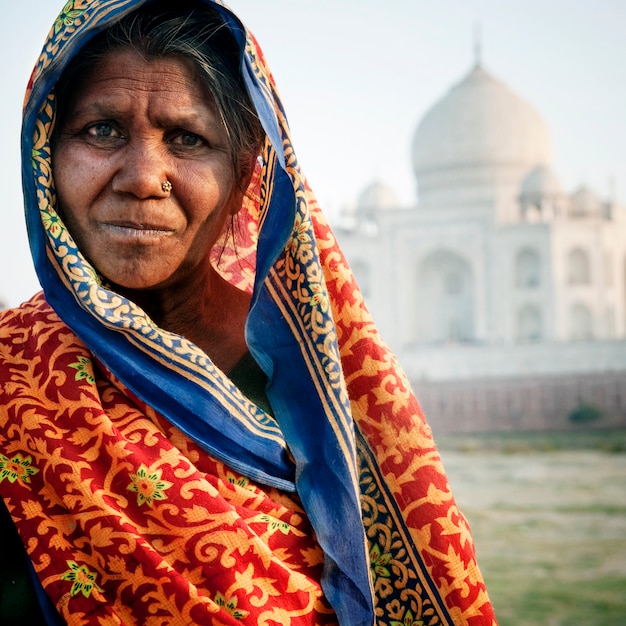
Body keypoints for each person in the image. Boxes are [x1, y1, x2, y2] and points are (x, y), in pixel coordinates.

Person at [0, 1, 497, 624]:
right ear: (45, 153)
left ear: (245, 176)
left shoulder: (325, 373)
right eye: (101, 130)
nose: (143, 176)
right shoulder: (15, 374)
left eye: (187, 138)